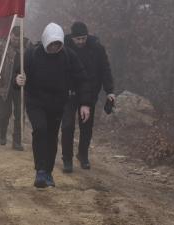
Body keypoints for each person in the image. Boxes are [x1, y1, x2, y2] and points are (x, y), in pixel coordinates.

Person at [16, 23, 93, 188]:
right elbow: (18, 73)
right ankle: (40, 171)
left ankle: (48, 172)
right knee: (40, 130)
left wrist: (85, 103)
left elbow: (82, 79)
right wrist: (19, 80)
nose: (54, 48)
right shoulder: (31, 54)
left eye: (57, 44)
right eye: (51, 44)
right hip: (35, 101)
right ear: (45, 41)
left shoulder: (68, 56)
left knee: (51, 135)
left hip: (57, 104)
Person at [61, 22, 115, 172]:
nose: (81, 42)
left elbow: (105, 69)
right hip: (68, 93)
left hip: (90, 92)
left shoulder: (97, 48)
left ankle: (83, 154)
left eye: (83, 38)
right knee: (67, 125)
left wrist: (109, 90)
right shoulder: (64, 48)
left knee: (86, 126)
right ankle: (67, 159)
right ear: (72, 37)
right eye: (78, 39)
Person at [0, 26, 27, 151]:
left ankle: (17, 141)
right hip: (3, 84)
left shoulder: (27, 47)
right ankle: (2, 133)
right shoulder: (2, 45)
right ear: (11, 35)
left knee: (19, 114)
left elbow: (32, 65)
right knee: (4, 113)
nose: (16, 41)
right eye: (14, 38)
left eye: (18, 39)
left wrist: (26, 77)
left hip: (19, 86)